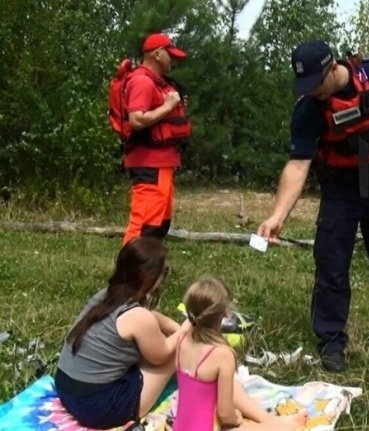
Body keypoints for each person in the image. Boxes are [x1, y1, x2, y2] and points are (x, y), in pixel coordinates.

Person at [256, 40, 369, 373]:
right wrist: (277, 216)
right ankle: (332, 343)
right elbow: (298, 165)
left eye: (316, 83)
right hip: (341, 188)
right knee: (331, 264)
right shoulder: (308, 109)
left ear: (333, 69)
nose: (312, 91)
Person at [55, 237, 189, 429]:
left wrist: (175, 328)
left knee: (163, 342)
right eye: (163, 273)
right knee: (176, 350)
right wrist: (187, 328)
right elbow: (161, 355)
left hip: (66, 389)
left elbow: (150, 317)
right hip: (96, 408)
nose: (163, 279)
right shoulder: (138, 317)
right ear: (147, 275)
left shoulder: (105, 296)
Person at [172, 277, 308, 431]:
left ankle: (273, 421)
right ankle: (279, 425)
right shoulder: (223, 354)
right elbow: (225, 414)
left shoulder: (182, 339)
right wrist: (237, 418)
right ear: (226, 313)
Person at [121, 33, 192, 246]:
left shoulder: (158, 83)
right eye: (170, 55)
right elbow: (136, 119)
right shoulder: (141, 81)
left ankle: (148, 270)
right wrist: (168, 107)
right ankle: (129, 274)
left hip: (162, 164)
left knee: (159, 223)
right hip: (149, 164)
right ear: (157, 54)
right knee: (143, 225)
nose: (172, 60)